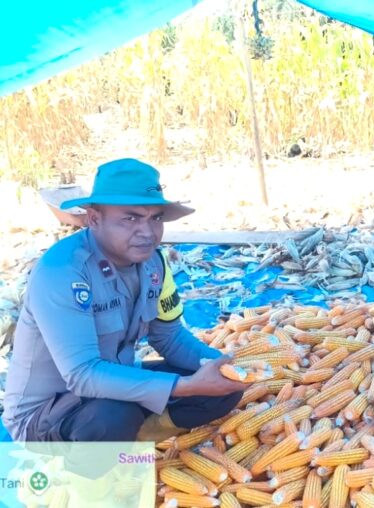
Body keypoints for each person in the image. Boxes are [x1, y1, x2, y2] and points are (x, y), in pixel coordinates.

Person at [3, 158, 246, 444]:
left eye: (155, 218)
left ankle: (140, 439)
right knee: (114, 417)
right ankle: (91, 464)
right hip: (48, 412)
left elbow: (169, 338)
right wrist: (184, 386)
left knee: (225, 387)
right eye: (130, 218)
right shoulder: (62, 271)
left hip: (117, 383)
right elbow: (83, 375)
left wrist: (226, 367)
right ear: (94, 219)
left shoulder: (154, 263)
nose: (147, 232)